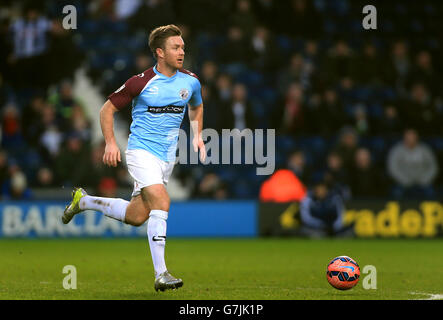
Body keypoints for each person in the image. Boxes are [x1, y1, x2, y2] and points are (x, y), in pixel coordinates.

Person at [61, 25, 206, 292]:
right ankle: (161, 274)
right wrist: (111, 143)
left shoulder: (191, 81)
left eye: (183, 47)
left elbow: (196, 106)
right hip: (141, 152)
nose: (182, 51)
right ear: (160, 52)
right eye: (176, 47)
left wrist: (197, 136)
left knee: (137, 215)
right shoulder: (139, 82)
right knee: (162, 200)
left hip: (166, 158)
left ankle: (84, 201)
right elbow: (107, 110)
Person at [387, 128, 438, 199]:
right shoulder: (396, 150)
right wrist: (404, 180)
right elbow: (393, 168)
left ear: (417, 138)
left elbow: (433, 167)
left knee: (431, 192)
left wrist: (426, 179)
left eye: (412, 137)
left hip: (424, 181)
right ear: (404, 138)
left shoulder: (425, 150)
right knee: (396, 193)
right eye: (408, 137)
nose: (410, 139)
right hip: (403, 182)